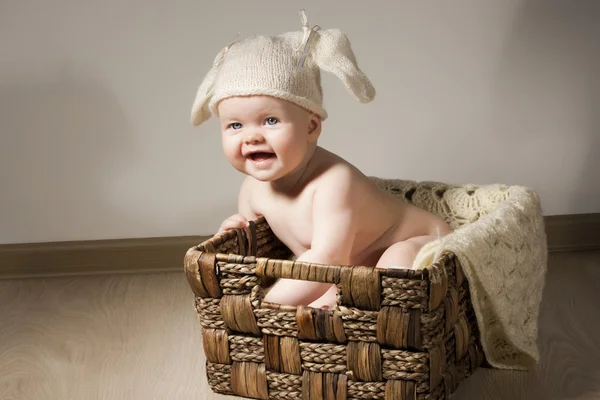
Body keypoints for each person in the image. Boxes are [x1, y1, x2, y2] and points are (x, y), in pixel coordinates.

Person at [190, 11, 450, 309]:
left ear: (311, 127)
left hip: (420, 240)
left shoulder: (333, 182)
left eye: (270, 120)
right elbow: (256, 256)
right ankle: (348, 308)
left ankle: (367, 315)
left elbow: (328, 259)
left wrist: (264, 305)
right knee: (324, 300)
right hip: (346, 270)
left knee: (394, 267)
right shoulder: (251, 190)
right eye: (235, 125)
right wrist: (230, 235)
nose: (251, 137)